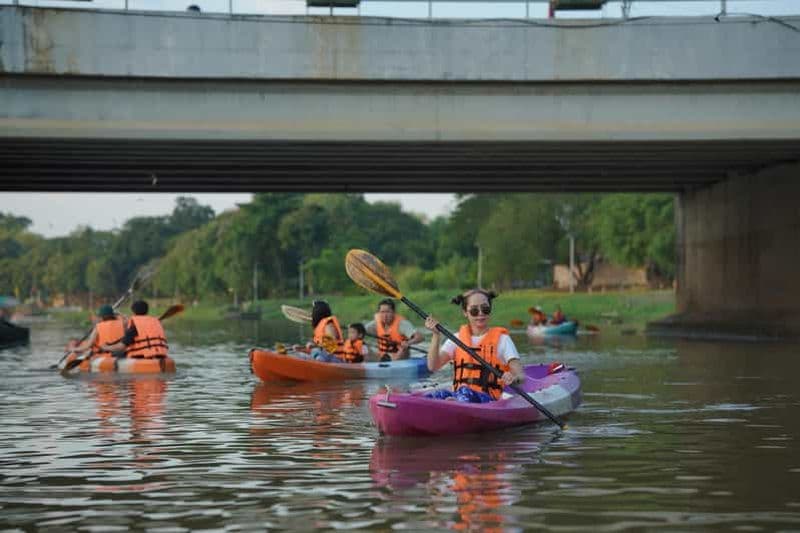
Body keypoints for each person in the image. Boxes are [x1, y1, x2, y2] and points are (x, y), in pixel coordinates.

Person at [424, 289, 526, 403]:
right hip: (459, 394)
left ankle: (454, 404)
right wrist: (435, 335)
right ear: (465, 312)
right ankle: (452, 403)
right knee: (438, 394)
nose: (480, 313)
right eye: (474, 310)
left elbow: (520, 376)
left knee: (465, 391)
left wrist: (513, 378)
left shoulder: (503, 340)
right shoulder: (456, 339)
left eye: (485, 309)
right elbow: (433, 366)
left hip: (488, 399)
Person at [102, 300, 168, 358]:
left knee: (115, 353)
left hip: (142, 357)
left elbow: (121, 346)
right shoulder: (155, 322)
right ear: (147, 311)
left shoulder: (134, 326)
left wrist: (106, 348)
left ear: (133, 312)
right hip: (161, 356)